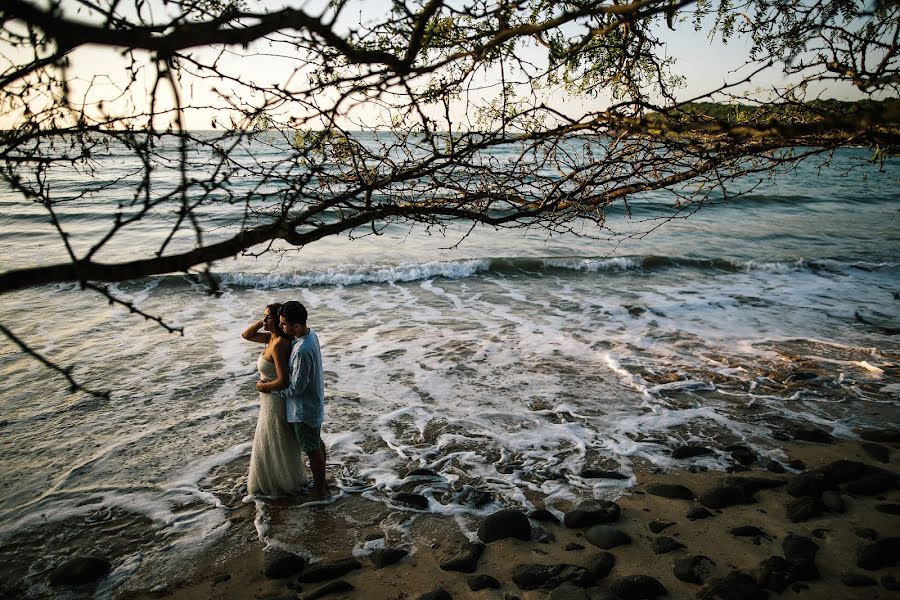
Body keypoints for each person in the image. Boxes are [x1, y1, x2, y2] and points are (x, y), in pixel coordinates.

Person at [241, 303, 307, 497]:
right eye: (264, 317)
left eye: (268, 317)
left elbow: (283, 380)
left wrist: (263, 386)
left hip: (275, 400)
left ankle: (282, 482)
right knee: (269, 438)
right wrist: (262, 321)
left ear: (277, 320)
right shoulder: (270, 339)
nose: (264, 320)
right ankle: (274, 478)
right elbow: (246, 335)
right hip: (268, 401)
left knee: (276, 438)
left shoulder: (279, 345)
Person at [277, 300, 328, 499]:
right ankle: (322, 483)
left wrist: (274, 391)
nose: (281, 327)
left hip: (303, 408)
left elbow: (297, 388)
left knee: (312, 449)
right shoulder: (310, 336)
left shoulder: (302, 350)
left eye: (284, 324)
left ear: (296, 325)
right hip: (314, 403)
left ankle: (320, 488)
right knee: (316, 443)